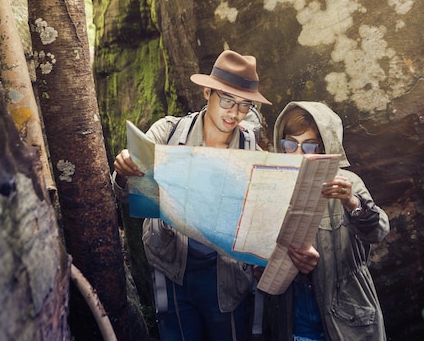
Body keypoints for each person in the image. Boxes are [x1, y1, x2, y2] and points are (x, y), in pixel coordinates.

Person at [113, 50, 272, 341]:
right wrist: (125, 171)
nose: (235, 113)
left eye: (244, 105)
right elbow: (126, 194)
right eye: (227, 100)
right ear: (207, 92)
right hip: (174, 268)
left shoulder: (253, 153)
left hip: (227, 276)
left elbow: (263, 219)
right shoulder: (167, 133)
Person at [258, 101, 389, 341]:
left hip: (348, 320)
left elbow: (378, 232)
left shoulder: (348, 182)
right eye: (290, 144)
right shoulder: (272, 186)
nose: (298, 154)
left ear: (323, 147)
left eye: (308, 146)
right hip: (293, 319)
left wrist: (351, 201)